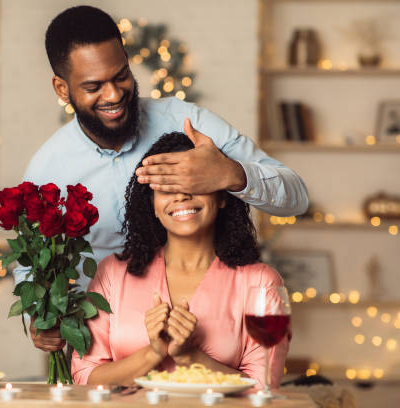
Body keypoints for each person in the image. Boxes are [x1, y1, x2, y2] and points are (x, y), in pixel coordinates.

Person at [19, 5, 307, 352]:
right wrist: (38, 319)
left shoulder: (188, 122)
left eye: (121, 75)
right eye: (94, 86)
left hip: (205, 333)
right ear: (62, 89)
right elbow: (31, 264)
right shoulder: (47, 170)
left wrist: (230, 173)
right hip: (102, 346)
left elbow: (296, 196)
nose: (113, 95)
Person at [71, 132, 290, 387]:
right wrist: (152, 353)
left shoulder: (261, 282)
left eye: (195, 184)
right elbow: (84, 377)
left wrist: (191, 357)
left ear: (221, 197)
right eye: (167, 187)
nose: (181, 196)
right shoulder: (112, 273)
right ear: (151, 203)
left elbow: (264, 388)